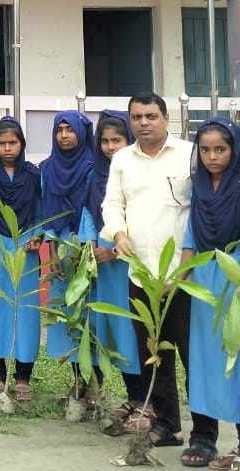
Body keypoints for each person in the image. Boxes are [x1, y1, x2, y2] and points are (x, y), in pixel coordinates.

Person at [101, 92, 194, 447]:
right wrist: (119, 233)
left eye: (151, 116)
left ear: (166, 117)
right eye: (137, 117)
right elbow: (112, 203)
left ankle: (204, 431)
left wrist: (186, 267)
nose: (143, 123)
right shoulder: (123, 159)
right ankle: (168, 425)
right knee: (154, 353)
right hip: (140, 273)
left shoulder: (189, 154)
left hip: (183, 274)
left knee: (191, 353)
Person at [179, 117, 240, 468]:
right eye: (206, 150)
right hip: (202, 279)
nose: (212, 157)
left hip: (236, 273)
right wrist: (181, 275)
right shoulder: (196, 186)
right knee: (204, 359)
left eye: (220, 150)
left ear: (234, 149)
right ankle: (204, 438)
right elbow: (190, 234)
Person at [80, 111, 142, 432]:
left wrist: (115, 250)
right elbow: (88, 212)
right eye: (104, 141)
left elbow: (145, 218)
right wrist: (90, 243)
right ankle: (123, 395)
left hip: (130, 264)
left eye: (116, 140)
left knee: (132, 332)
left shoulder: (138, 172)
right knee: (107, 329)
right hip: (101, 266)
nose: (109, 147)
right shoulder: (95, 174)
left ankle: (144, 400)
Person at [0, 116, 42, 401]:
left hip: (26, 248)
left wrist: (38, 235)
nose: (7, 148)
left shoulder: (33, 174)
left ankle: (24, 375)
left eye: (12, 143)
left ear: (22, 144)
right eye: (1, 143)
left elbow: (42, 209)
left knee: (25, 309)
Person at [39, 111, 94, 393]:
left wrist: (84, 247)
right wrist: (51, 253)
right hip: (60, 245)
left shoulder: (94, 167)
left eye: (69, 129)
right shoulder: (47, 168)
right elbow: (46, 213)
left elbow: (93, 208)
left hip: (89, 247)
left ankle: (94, 381)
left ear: (82, 133)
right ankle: (76, 380)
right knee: (67, 314)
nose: (64, 135)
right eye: (59, 130)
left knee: (90, 313)